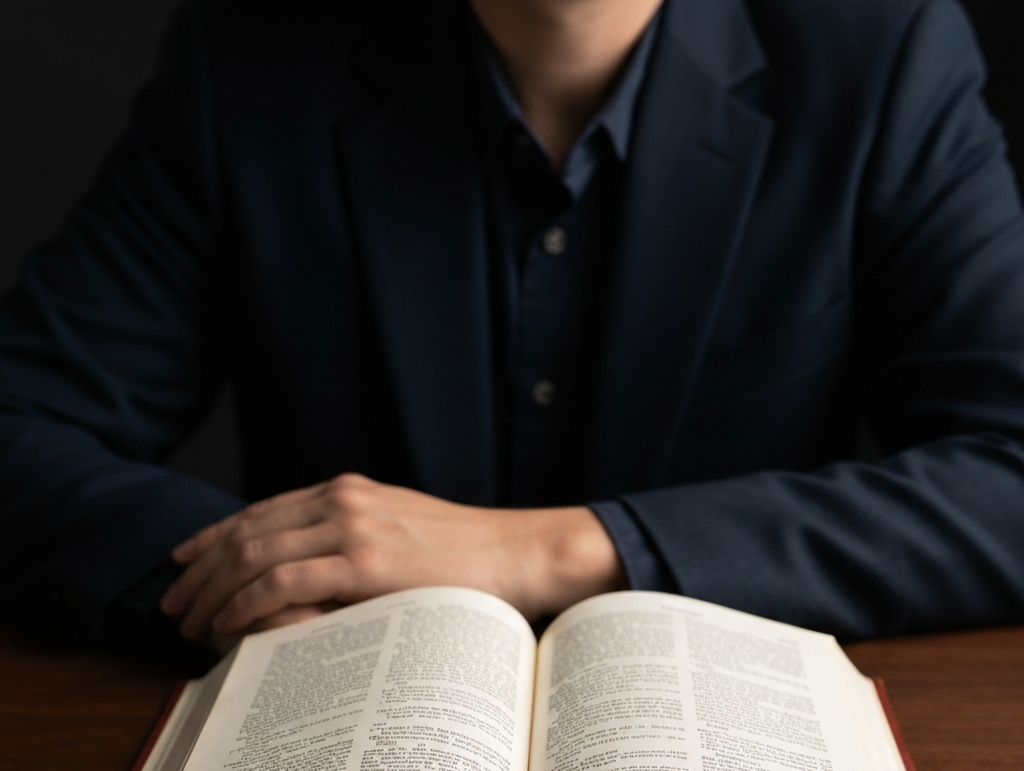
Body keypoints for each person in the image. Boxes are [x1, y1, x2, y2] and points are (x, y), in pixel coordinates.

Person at [2, 0, 1024, 661]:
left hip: (708, 764)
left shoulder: (881, 53)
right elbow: (18, 418)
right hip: (346, 762)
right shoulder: (248, 63)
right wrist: (250, 580)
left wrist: (552, 548)